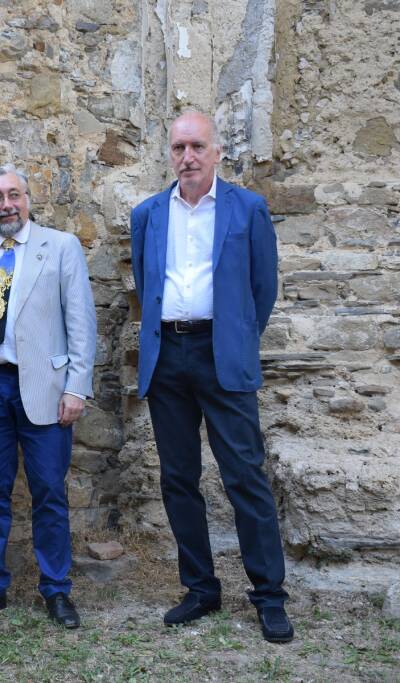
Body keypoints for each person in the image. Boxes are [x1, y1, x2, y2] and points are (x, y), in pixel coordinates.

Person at [130, 111, 293, 643]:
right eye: (178, 148)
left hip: (222, 353)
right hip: (168, 356)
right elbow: (145, 281)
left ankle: (269, 596)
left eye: (197, 146)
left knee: (245, 476)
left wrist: (235, 338)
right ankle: (201, 588)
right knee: (179, 479)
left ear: (218, 152)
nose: (188, 157)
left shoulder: (248, 208)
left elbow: (261, 291)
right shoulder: (149, 214)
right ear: (169, 154)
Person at [0, 164, 97, 628]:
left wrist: (76, 386)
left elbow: (81, 324)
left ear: (28, 200)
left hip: (46, 389)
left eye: (14, 194)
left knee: (49, 491)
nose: (6, 204)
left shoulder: (61, 247)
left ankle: (56, 591)